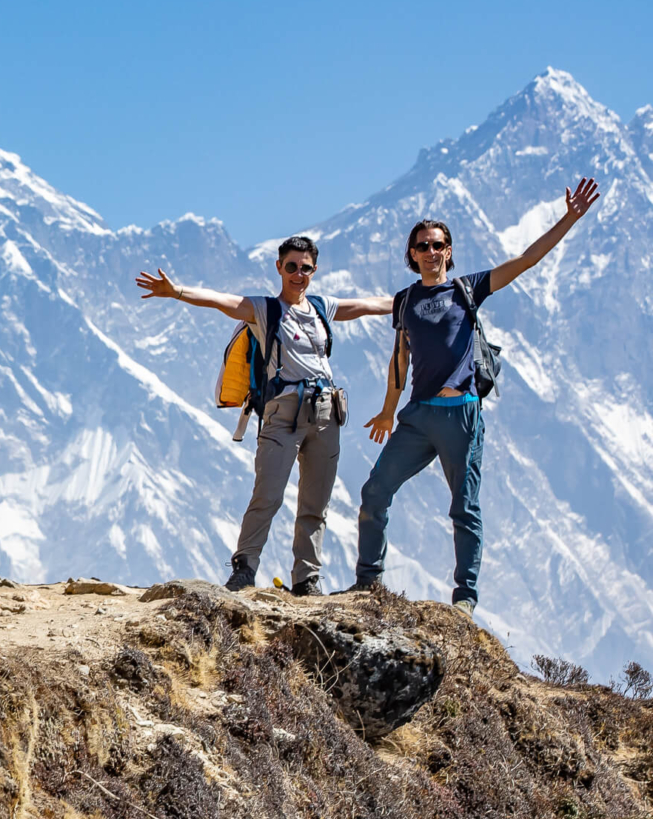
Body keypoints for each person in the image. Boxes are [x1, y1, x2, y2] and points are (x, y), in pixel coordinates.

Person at [353, 178, 601, 616]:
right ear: (412, 254)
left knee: (463, 507)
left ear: (449, 250)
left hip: (461, 415)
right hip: (417, 416)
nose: (431, 251)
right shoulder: (404, 300)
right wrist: (388, 411)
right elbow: (399, 359)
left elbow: (526, 260)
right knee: (374, 491)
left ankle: (465, 599)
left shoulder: (468, 289)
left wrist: (569, 218)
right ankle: (367, 584)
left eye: (439, 244)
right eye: (423, 245)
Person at [136, 236, 393, 595]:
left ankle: (307, 578)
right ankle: (245, 567)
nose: (298, 274)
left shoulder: (322, 308)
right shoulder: (264, 309)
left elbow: (367, 306)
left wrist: (416, 299)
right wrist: (176, 290)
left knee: (315, 502)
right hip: (283, 413)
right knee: (268, 494)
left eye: (305, 268)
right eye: (291, 267)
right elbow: (221, 301)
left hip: (326, 413)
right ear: (279, 268)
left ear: (314, 271)